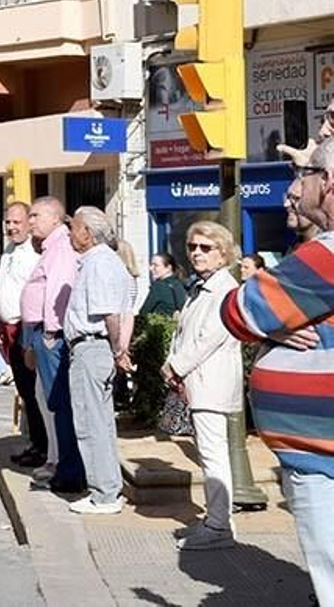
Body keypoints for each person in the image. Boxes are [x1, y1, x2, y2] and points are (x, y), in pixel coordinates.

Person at [222, 138, 334, 603]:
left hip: (321, 455)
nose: (295, 186)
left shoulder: (326, 254)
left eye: (304, 174)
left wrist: (270, 328)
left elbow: (238, 311)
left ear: (327, 184)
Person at [161, 221, 245, 550]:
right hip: (198, 381)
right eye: (193, 247)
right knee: (209, 454)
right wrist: (173, 364)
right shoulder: (201, 287)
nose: (197, 253)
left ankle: (218, 525)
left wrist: (175, 365)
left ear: (223, 254)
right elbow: (183, 333)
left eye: (205, 248)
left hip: (211, 382)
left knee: (213, 456)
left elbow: (208, 337)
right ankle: (218, 521)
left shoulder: (223, 290)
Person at [62, 206, 136, 515]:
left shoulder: (98, 263)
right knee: (101, 422)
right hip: (98, 349)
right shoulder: (107, 262)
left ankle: (104, 495)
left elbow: (109, 313)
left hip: (92, 348)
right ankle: (107, 489)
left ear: (87, 234)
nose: (70, 233)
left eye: (74, 227)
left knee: (91, 423)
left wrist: (119, 350)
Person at [21, 196, 87, 494]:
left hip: (51, 335)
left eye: (35, 215)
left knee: (59, 404)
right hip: (42, 332)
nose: (30, 221)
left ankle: (69, 470)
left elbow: (58, 293)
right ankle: (63, 464)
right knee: (53, 402)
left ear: (55, 219)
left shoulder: (60, 248)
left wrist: (50, 332)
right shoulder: (51, 247)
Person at [0, 201, 48, 467]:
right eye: (8, 222)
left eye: (17, 222)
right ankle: (35, 443)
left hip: (25, 331)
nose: (11, 227)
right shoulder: (8, 251)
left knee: (34, 392)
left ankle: (43, 447)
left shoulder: (34, 254)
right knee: (25, 393)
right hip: (8, 331)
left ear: (29, 223)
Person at [140, 252, 188, 317]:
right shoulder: (179, 284)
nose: (151, 268)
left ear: (168, 268)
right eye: (151, 265)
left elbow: (144, 312)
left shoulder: (159, 286)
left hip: (160, 325)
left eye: (156, 265)